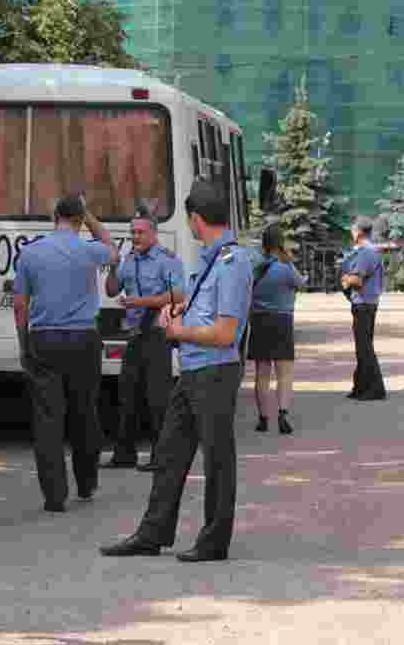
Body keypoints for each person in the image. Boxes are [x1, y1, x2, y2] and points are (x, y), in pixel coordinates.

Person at [99, 179, 252, 562]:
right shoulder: (210, 257)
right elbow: (201, 306)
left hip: (215, 370)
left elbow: (225, 332)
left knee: (217, 459)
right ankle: (152, 533)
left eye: (188, 220)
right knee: (168, 453)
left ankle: (214, 541)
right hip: (193, 370)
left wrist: (177, 330)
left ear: (196, 219)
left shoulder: (233, 262)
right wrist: (178, 310)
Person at [13, 195, 119, 512]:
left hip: (44, 340)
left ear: (54, 215)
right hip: (84, 340)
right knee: (84, 411)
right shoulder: (89, 250)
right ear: (79, 218)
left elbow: (20, 305)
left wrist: (23, 343)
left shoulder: (30, 253)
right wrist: (91, 218)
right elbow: (112, 249)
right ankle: (86, 483)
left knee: (48, 418)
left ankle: (54, 495)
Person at [100, 204, 185, 471]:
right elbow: (113, 291)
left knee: (158, 398)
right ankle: (124, 454)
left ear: (153, 233)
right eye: (132, 232)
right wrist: (112, 269)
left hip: (157, 333)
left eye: (140, 232)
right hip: (135, 334)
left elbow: (178, 295)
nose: (135, 237)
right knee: (128, 393)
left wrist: (143, 301)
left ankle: (163, 457)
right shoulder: (129, 259)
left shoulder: (166, 259)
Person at [247, 223, 307, 434]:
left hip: (259, 321)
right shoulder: (285, 267)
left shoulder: (256, 266)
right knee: (284, 373)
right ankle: (282, 414)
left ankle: (263, 418)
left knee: (262, 373)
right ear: (281, 243)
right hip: (282, 321)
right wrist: (288, 257)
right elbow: (302, 283)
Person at [341, 216, 387, 401]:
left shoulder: (367, 252)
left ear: (359, 232)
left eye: (353, 229)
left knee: (365, 348)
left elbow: (357, 279)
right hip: (365, 303)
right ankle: (360, 387)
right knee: (363, 347)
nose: (351, 232)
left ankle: (375, 389)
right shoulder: (367, 251)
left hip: (364, 303)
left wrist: (345, 279)